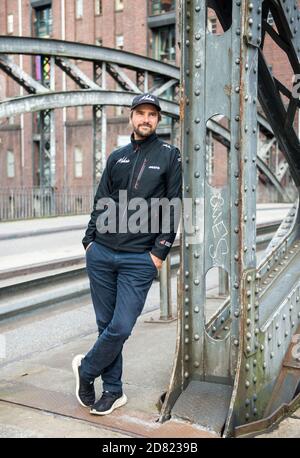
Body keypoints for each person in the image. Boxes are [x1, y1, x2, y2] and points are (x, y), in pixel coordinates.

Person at [72, 93, 182, 416]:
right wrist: (88, 242)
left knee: (120, 326)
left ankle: (86, 370)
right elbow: (101, 200)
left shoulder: (169, 156)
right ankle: (113, 391)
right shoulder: (116, 156)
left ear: (158, 120)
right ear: (131, 116)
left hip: (139, 259)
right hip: (102, 253)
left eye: (152, 114)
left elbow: (173, 208)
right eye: (140, 113)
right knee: (105, 324)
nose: (145, 119)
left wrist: (158, 254)